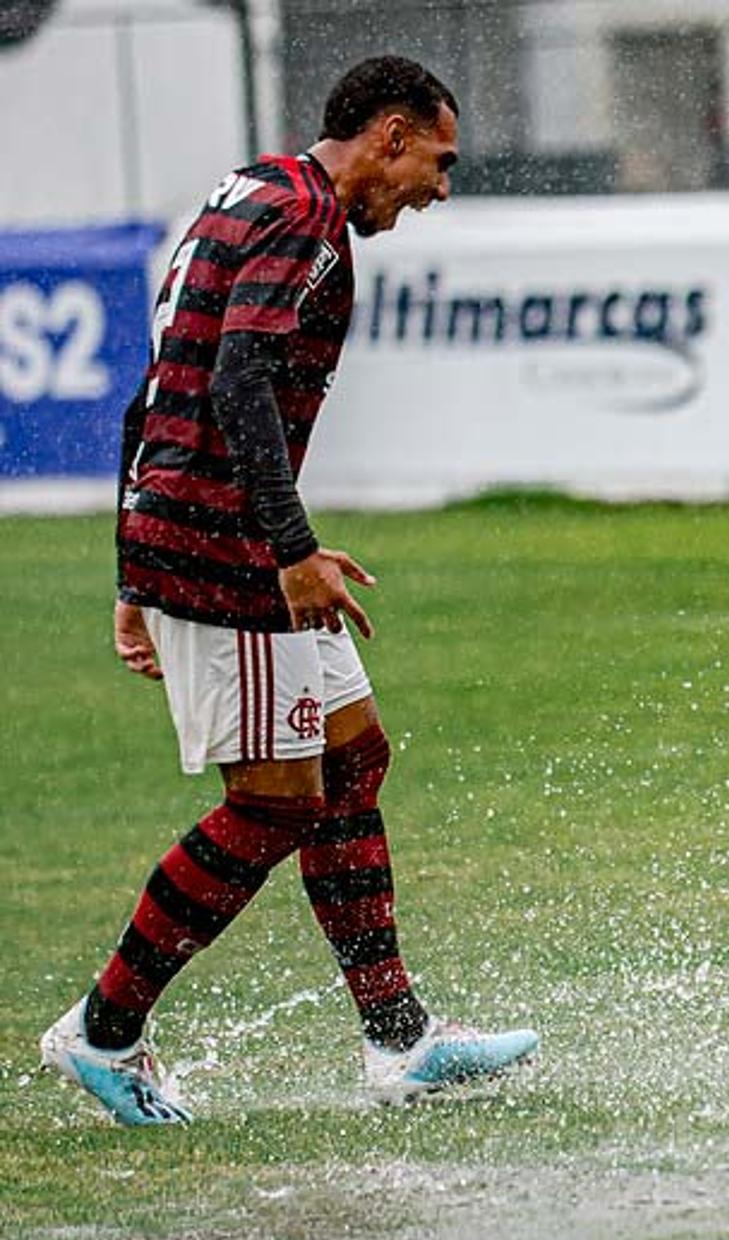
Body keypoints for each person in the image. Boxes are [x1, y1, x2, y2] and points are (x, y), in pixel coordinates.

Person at [39, 56, 537, 1126]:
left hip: (196, 536)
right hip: (227, 553)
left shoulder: (246, 193)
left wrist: (135, 570)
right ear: (392, 135)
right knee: (273, 806)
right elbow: (233, 380)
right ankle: (103, 1028)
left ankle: (399, 1039)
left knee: (353, 754)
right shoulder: (308, 225)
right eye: (438, 164)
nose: (438, 190)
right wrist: (290, 546)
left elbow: (156, 384)